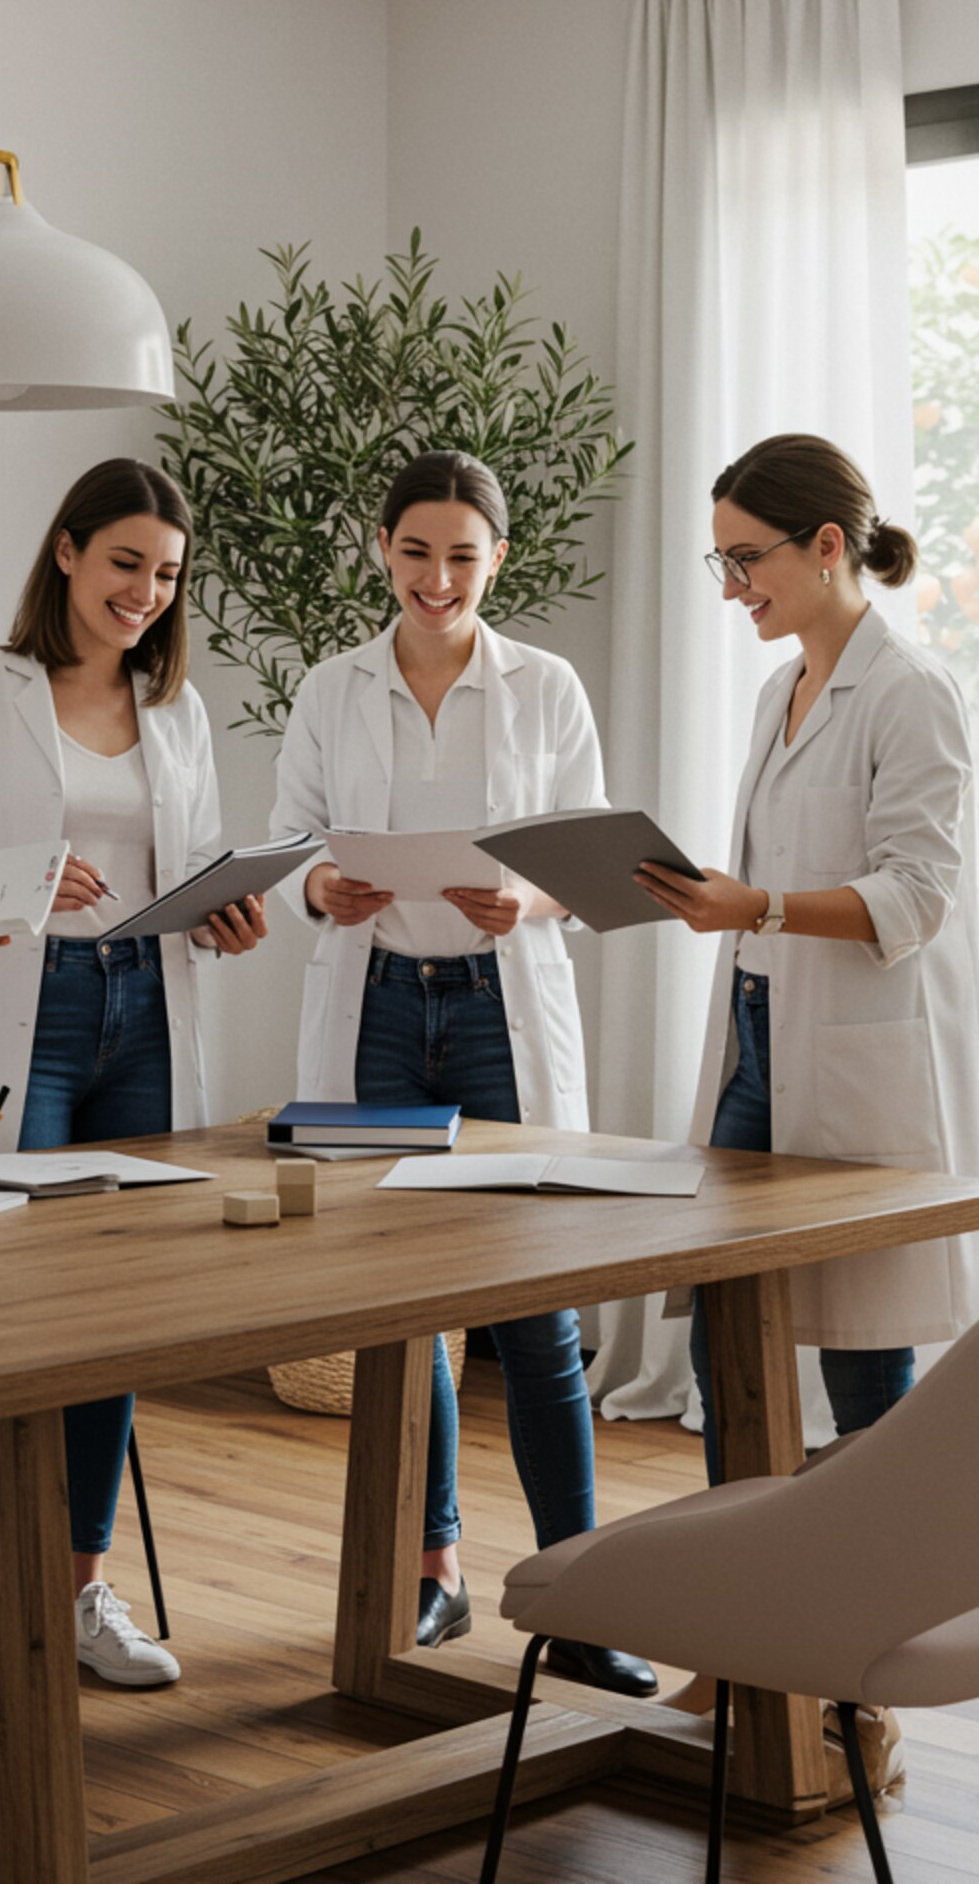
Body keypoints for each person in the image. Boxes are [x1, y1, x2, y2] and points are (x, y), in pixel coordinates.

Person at [0, 456, 268, 1724]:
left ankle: (82, 1590)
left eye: (164, 575)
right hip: (24, 1021)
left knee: (111, 1313)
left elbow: (193, 862)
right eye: (123, 565)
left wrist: (227, 907)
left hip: (141, 1020)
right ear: (65, 554)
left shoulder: (177, 709)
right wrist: (18, 883)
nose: (144, 594)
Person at [270, 450, 657, 1699]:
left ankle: (581, 1591)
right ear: (380, 548)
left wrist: (527, 894)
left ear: (496, 559)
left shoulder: (542, 687)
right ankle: (430, 1567)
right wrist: (320, 886)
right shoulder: (333, 689)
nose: (436, 578)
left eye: (461, 554)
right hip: (378, 1008)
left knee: (536, 1308)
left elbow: (592, 859)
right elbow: (288, 849)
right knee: (399, 1309)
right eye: (415, 551)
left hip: (498, 1012)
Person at [637, 431, 979, 1479]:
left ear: (827, 545)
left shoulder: (910, 689)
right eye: (721, 563)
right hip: (756, 1042)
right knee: (721, 1324)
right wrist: (713, 895)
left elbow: (917, 893)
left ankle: (865, 1600)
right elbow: (780, 874)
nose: (729, 587)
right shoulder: (780, 689)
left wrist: (754, 905)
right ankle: (748, 1577)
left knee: (860, 1357)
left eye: (744, 559)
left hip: (849, 1060)